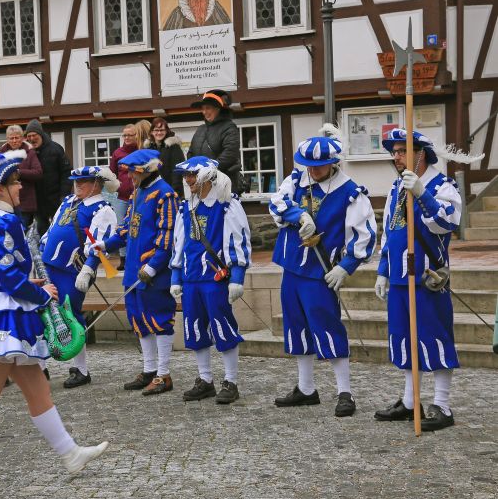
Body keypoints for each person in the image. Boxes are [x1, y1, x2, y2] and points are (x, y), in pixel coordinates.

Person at [0, 148, 109, 497]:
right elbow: (10, 277)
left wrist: (32, 287)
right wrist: (42, 294)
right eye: (15, 184)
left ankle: (70, 453)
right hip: (4, 313)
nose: (20, 189)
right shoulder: (4, 220)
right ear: (0, 188)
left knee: (36, 388)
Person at [268, 132, 376, 418]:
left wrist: (346, 266)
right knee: (297, 327)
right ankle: (306, 389)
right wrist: (298, 216)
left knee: (327, 328)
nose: (313, 171)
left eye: (319, 166)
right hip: (292, 266)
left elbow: (365, 235)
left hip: (321, 272)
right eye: (309, 166)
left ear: (333, 163)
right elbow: (276, 203)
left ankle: (345, 392)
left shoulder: (350, 192)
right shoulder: (296, 180)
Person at [373, 129, 474, 431]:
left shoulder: (443, 185)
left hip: (428, 277)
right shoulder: (395, 188)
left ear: (420, 153)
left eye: (402, 150)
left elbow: (447, 223)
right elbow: (389, 233)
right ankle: (409, 401)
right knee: (403, 340)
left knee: (436, 339)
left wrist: (421, 193)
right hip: (400, 278)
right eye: (393, 151)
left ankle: (442, 405)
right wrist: (382, 270)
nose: (396, 156)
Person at [89, 150, 179, 395]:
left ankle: (163, 374)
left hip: (153, 271)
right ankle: (149, 370)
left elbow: (168, 235)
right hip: (133, 272)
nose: (128, 176)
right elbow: (127, 227)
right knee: (139, 321)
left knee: (159, 320)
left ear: (145, 171)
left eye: (132, 172)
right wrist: (106, 244)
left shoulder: (166, 194)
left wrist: (153, 265)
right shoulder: (137, 193)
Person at [170, 157, 251, 403]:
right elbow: (179, 245)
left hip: (214, 278)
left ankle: (231, 381)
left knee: (223, 329)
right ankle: (205, 380)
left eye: (192, 175)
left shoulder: (226, 205)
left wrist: (237, 278)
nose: (188, 180)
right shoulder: (186, 207)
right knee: (194, 330)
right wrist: (176, 277)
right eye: (186, 176)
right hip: (192, 278)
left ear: (207, 176)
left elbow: (239, 241)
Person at [41, 166, 119, 388]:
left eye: (83, 181)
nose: (77, 185)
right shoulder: (68, 201)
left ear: (96, 184)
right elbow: (53, 226)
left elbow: (98, 245)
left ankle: (81, 370)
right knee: (42, 313)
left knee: (70, 316)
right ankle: (40, 367)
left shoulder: (103, 209)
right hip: (49, 266)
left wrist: (88, 269)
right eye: (76, 181)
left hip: (72, 271)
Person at [187, 90, 243, 194]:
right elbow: (191, 153)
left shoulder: (229, 127)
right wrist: (192, 170)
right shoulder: (200, 129)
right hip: (202, 184)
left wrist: (209, 170)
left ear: (218, 109)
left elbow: (230, 154)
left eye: (208, 108)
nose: (204, 112)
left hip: (223, 184)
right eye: (203, 109)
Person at [25, 119, 72, 236]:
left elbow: (66, 172)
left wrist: (64, 195)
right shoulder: (27, 152)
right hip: (37, 200)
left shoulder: (55, 149)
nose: (31, 138)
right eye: (29, 136)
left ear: (40, 134)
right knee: (42, 229)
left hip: (55, 197)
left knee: (59, 227)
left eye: (34, 135)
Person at [109, 124, 140, 271]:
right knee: (121, 226)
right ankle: (123, 258)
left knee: (136, 225)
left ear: (136, 136)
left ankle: (136, 256)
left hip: (138, 197)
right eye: (125, 135)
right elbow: (112, 174)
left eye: (130, 135)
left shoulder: (141, 151)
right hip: (121, 198)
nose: (127, 138)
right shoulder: (117, 153)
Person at [0, 125, 42, 229]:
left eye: (17, 137)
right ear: (7, 139)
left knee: (22, 233)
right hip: (5, 202)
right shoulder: (1, 153)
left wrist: (19, 173)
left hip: (25, 203)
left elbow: (38, 173)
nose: (14, 141)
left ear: (22, 138)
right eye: (11, 138)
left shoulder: (30, 152)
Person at [146, 118, 185, 197]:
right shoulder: (148, 148)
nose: (159, 133)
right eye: (156, 130)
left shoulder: (173, 147)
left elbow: (177, 172)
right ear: (151, 132)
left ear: (166, 131)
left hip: (171, 190)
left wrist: (174, 192)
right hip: (152, 192)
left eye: (162, 130)